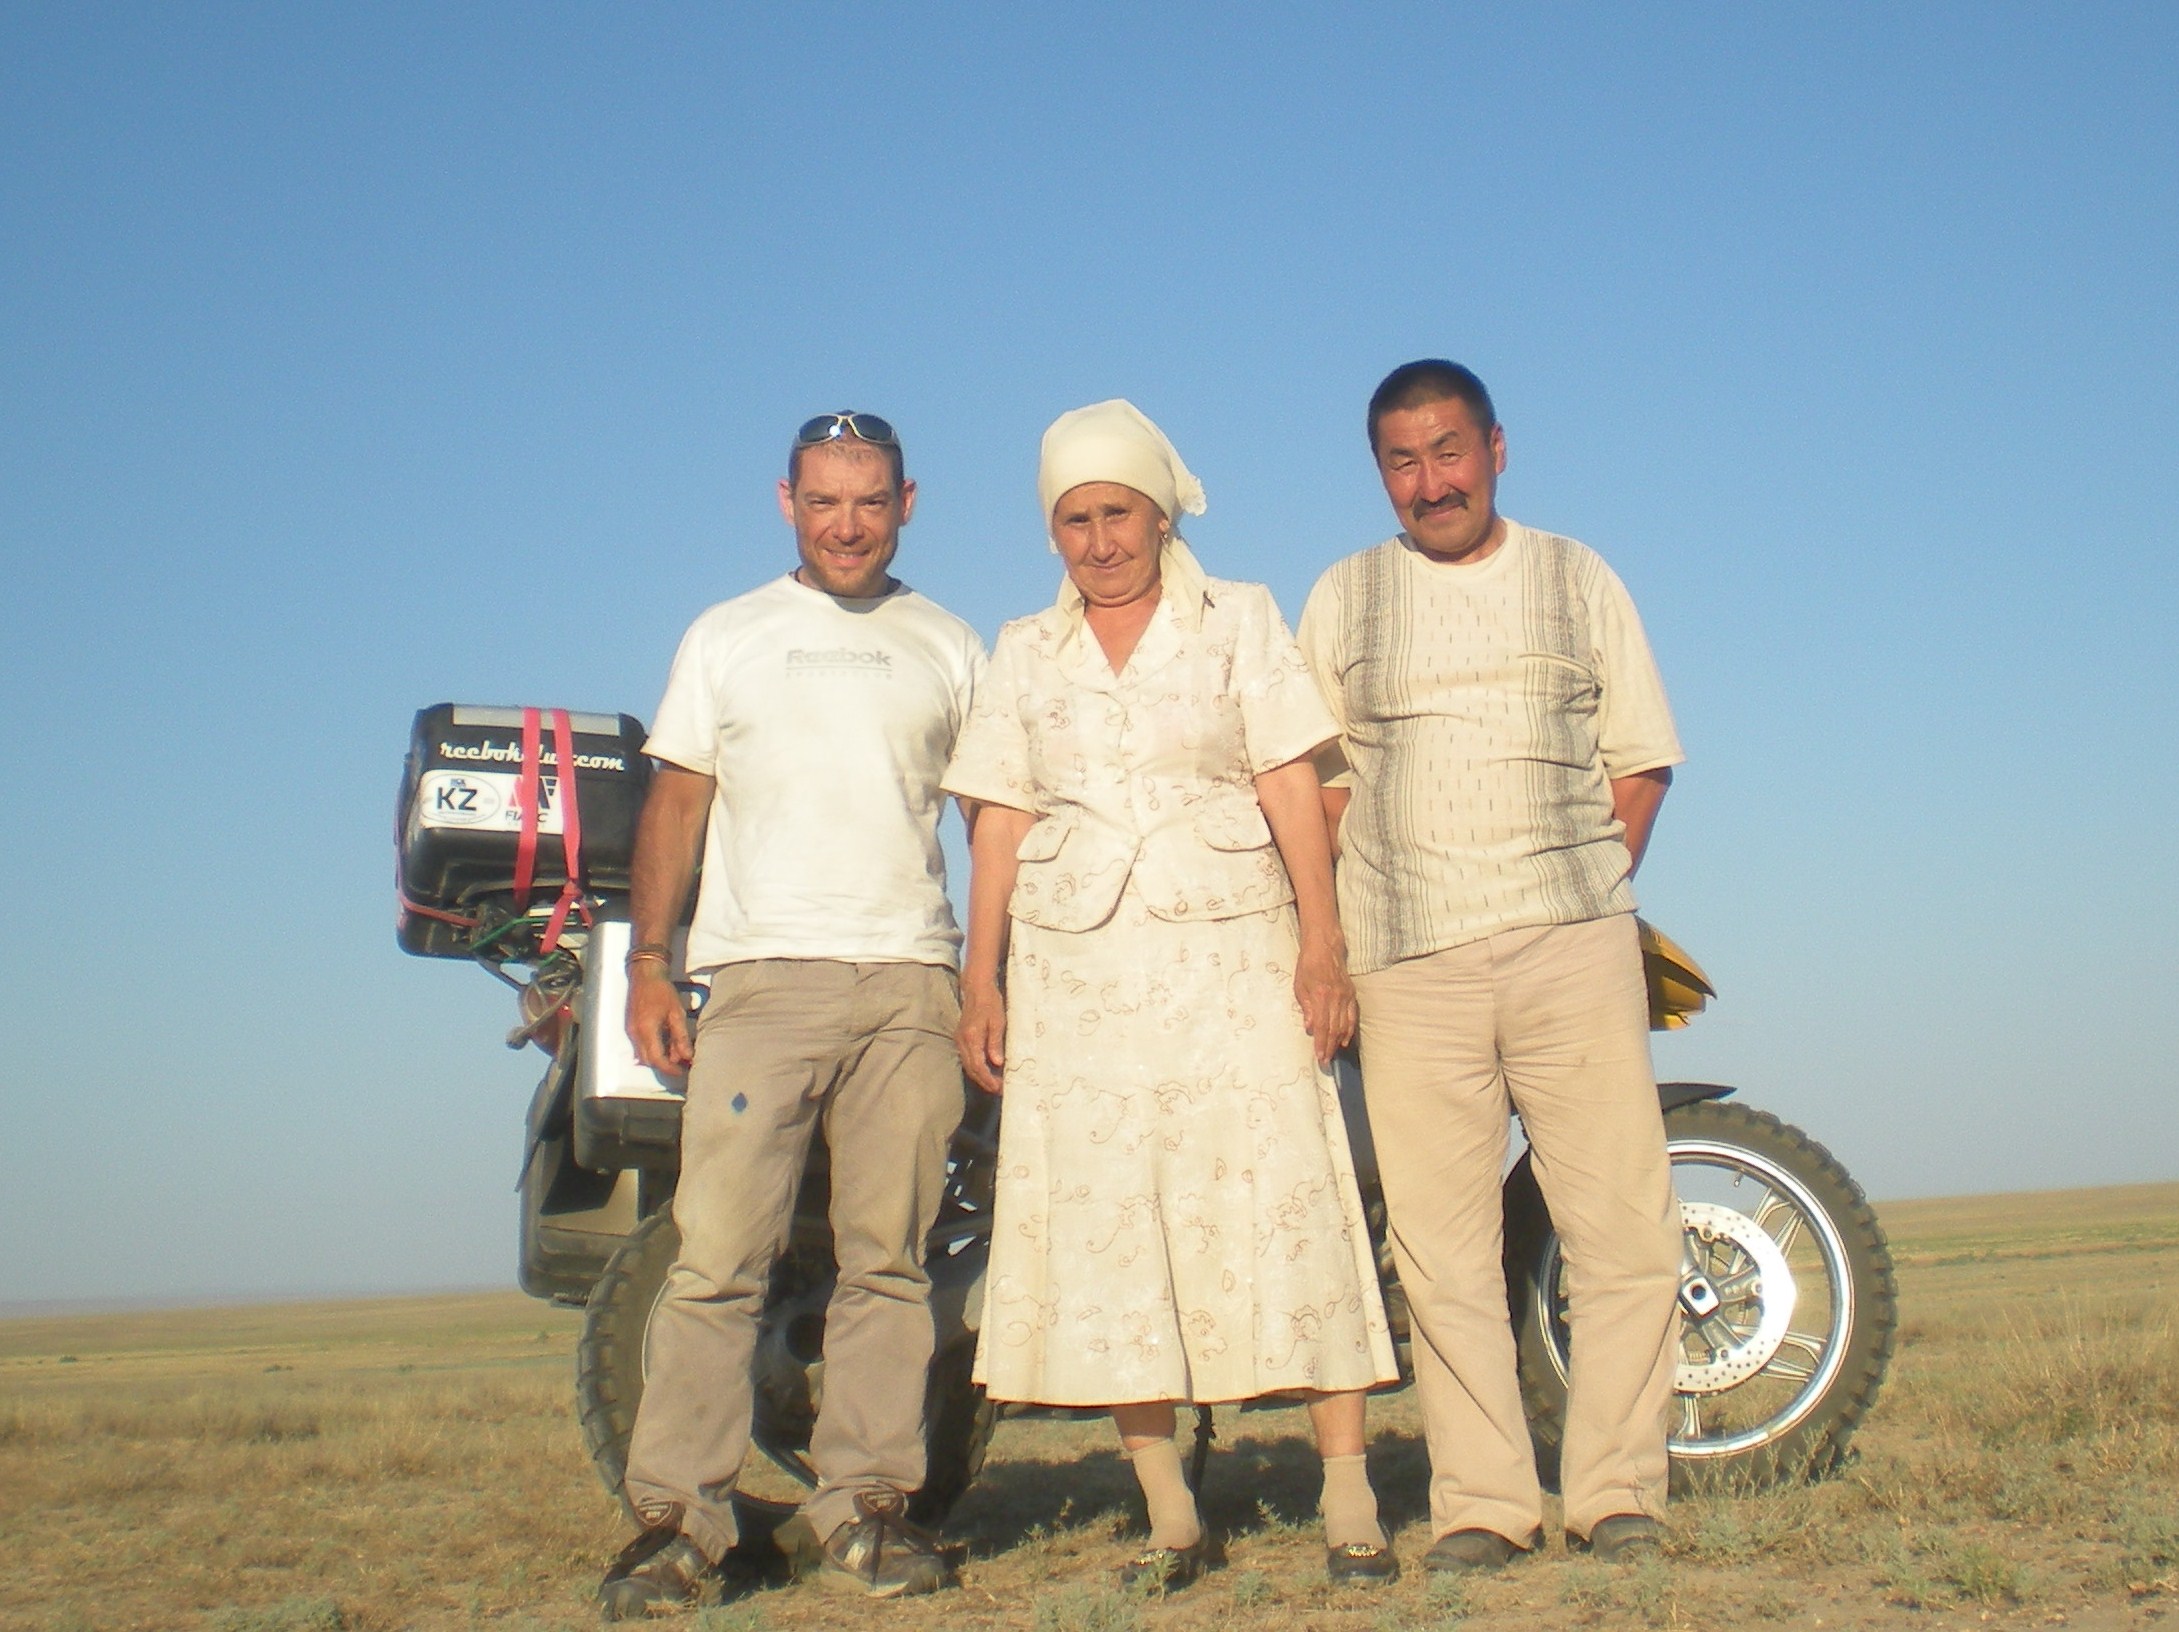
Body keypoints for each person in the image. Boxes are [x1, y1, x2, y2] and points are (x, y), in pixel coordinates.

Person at [943, 399, 1401, 1591]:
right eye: (1075, 521)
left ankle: (1346, 1490)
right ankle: (1168, 1513)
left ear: (1159, 513)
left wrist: (1322, 942)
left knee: (1285, 1191)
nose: (1098, 542)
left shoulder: (1238, 618)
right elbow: (997, 822)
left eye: (1118, 515)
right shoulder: (1020, 650)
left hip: (1233, 952)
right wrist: (980, 977)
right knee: (1108, 1222)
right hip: (1077, 970)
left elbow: (1292, 782)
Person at [1297, 360, 1687, 1573]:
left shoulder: (1578, 576)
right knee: (1442, 1247)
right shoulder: (1344, 598)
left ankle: (1616, 1490)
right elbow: (1318, 787)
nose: (1432, 482)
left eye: (1450, 451)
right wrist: (1334, 949)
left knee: (1617, 1226)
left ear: (1498, 449)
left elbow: (1639, 759)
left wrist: (1579, 893)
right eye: (1403, 462)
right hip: (1409, 963)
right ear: (1380, 473)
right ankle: (1482, 1506)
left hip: (1569, 945)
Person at [597, 412, 986, 1616]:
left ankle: (865, 1510)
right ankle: (680, 1526)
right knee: (718, 1260)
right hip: (758, 984)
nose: (847, 524)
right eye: (824, 501)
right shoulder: (728, 636)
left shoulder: (948, 643)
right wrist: (650, 965)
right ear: (785, 503)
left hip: (910, 985)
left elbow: (993, 821)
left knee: (890, 1264)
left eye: (870, 501)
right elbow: (677, 803)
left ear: (908, 503)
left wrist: (992, 976)